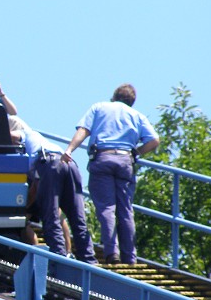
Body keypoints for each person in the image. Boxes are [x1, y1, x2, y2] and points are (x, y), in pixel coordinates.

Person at [62, 84, 160, 264]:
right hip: (125, 161)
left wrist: (69, 150)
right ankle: (130, 257)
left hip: (103, 158)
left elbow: (83, 130)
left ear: (114, 96)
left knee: (107, 208)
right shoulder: (137, 115)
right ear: (131, 101)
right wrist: (136, 153)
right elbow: (154, 140)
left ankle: (111, 253)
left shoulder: (99, 107)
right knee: (125, 210)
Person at [9, 116, 97, 264]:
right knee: (77, 217)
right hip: (69, 165)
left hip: (49, 163)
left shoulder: (26, 134)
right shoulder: (41, 141)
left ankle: (59, 257)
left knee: (50, 214)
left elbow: (10, 135)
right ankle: (89, 261)